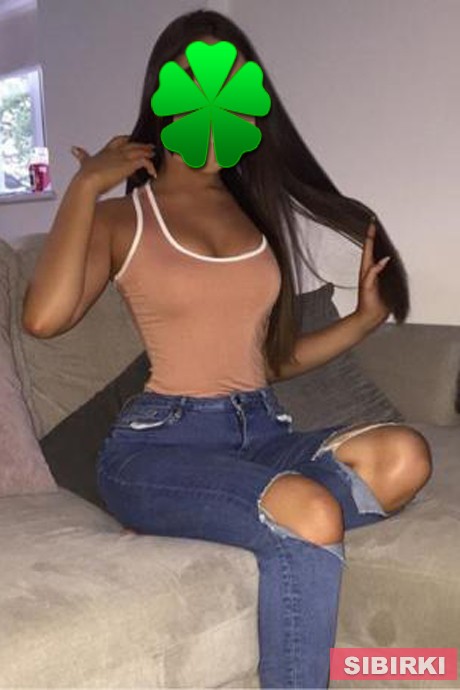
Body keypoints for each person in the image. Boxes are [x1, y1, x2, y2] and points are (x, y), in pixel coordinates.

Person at [22, 9, 433, 689]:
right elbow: (42, 318)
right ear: (166, 96)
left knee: (403, 457)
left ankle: (219, 517)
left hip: (261, 431)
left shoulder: (253, 214)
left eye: (231, 84)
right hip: (161, 446)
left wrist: (364, 320)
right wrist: (87, 186)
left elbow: (269, 362)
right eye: (196, 82)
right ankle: (220, 512)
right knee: (310, 509)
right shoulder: (126, 216)